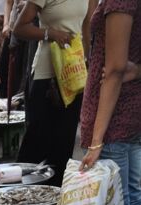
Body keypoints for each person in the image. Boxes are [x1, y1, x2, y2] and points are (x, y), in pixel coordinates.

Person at [75, 0, 141, 205]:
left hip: (116, 116)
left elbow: (113, 68)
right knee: (133, 204)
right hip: (129, 113)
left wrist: (96, 139)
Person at [14, 0, 92, 185]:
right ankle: (17, 199)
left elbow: (87, 27)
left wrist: (87, 62)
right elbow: (19, 28)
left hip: (74, 75)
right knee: (36, 144)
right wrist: (50, 33)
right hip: (46, 77)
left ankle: (52, 203)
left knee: (63, 146)